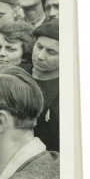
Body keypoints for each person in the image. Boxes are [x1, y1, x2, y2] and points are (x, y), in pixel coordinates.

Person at [31, 19, 60, 152]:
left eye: (51, 52)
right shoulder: (15, 74)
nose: (40, 56)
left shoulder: (67, 90)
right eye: (39, 46)